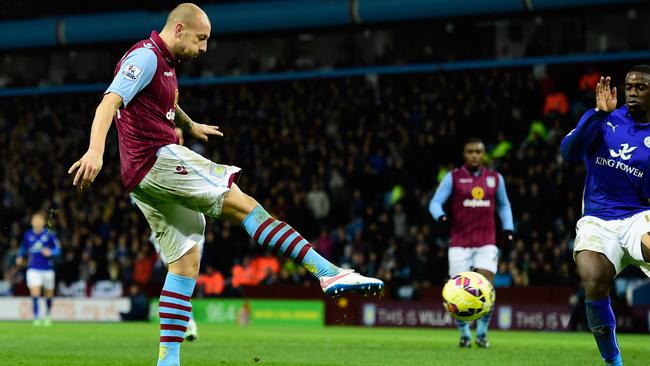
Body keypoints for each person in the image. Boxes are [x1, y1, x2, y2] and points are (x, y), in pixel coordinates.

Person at [67, 4, 383, 365]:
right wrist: (95, 151)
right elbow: (109, 102)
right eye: (201, 39)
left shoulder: (163, 62)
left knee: (184, 263)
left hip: (142, 178)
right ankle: (327, 272)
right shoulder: (146, 57)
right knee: (246, 205)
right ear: (180, 29)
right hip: (157, 160)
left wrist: (189, 125)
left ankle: (167, 361)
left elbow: (162, 100)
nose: (204, 48)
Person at [561, 70, 650, 366]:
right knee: (594, 280)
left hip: (638, 215)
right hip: (598, 219)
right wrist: (598, 114)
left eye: (641, 87)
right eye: (629, 87)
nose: (633, 92)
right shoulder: (604, 119)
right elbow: (569, 152)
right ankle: (613, 361)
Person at [428, 137, 514, 348]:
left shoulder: (495, 178)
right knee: (456, 293)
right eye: (470, 152)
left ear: (483, 154)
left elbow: (504, 205)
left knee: (487, 287)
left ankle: (482, 334)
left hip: (486, 241)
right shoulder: (453, 178)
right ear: (464, 154)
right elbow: (435, 203)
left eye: (478, 151)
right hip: (459, 242)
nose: (474, 155)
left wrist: (509, 228)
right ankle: (465, 334)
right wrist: (441, 217)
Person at [15, 211, 61, 326]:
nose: (37, 222)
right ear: (32, 222)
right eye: (35, 220)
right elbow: (23, 248)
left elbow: (58, 250)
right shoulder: (27, 235)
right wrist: (20, 256)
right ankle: (36, 317)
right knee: (35, 293)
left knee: (48, 294)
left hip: (48, 269)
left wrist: (51, 252)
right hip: (33, 268)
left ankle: (47, 315)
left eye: (39, 220)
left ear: (44, 222)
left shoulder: (49, 234)